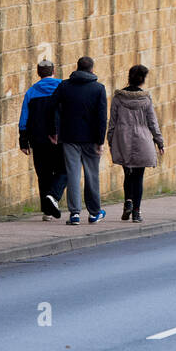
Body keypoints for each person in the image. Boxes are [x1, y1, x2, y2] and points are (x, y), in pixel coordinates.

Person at [51, 56, 109, 225]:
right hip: (91, 138)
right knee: (92, 175)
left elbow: (51, 106)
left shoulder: (65, 86)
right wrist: (100, 141)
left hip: (69, 137)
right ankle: (94, 212)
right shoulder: (98, 89)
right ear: (92, 69)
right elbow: (102, 117)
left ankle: (74, 214)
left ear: (77, 68)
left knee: (73, 175)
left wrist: (53, 130)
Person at [107, 64, 164, 223]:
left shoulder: (118, 97)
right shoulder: (145, 99)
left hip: (122, 139)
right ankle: (137, 213)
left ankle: (128, 202)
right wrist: (160, 142)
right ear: (142, 80)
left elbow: (112, 122)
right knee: (138, 178)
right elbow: (152, 123)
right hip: (142, 140)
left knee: (128, 174)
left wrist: (111, 140)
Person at [18, 60, 65, 220]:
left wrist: (23, 141)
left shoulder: (31, 92)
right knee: (63, 170)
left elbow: (24, 118)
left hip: (37, 139)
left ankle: (47, 211)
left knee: (43, 173)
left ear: (38, 73)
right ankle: (53, 196)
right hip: (60, 138)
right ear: (54, 71)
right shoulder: (63, 88)